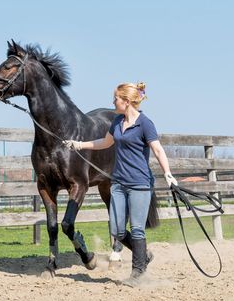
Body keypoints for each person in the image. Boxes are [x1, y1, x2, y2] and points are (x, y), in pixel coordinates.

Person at [64, 82, 177, 286]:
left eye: (116, 98)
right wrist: (78, 145)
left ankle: (138, 272)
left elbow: (158, 150)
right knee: (117, 230)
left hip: (140, 183)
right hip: (118, 183)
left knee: (137, 229)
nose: (113, 102)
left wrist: (168, 174)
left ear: (126, 101)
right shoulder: (117, 122)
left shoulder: (145, 123)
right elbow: (105, 143)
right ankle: (144, 255)